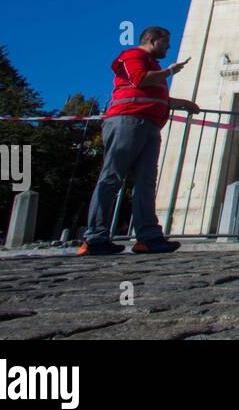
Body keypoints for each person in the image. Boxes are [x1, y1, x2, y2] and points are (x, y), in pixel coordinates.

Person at [78, 26, 199, 255]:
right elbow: (139, 80)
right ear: (152, 40)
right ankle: (95, 237)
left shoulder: (154, 65)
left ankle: (148, 237)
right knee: (112, 177)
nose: (169, 47)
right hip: (128, 121)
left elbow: (153, 94)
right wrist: (170, 72)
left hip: (149, 124)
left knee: (146, 182)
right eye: (166, 43)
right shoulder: (133, 55)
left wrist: (183, 103)